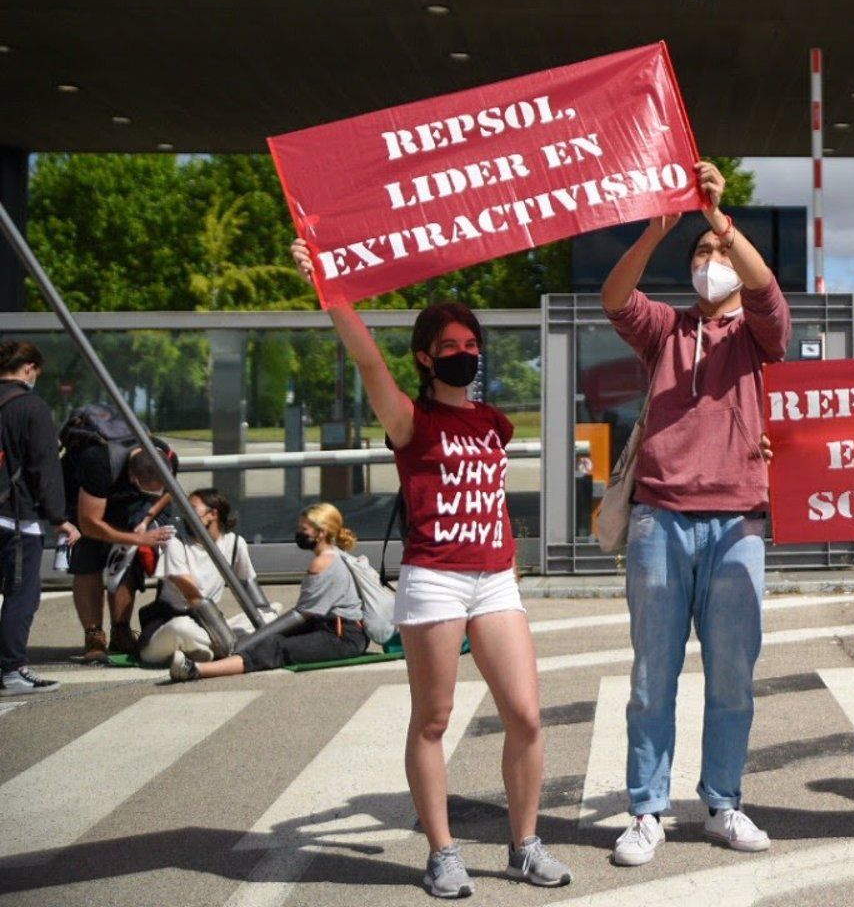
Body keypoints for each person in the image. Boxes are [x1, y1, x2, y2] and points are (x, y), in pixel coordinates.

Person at [286, 243, 572, 896]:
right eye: (449, 345)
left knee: (526, 715)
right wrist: (329, 287)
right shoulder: (411, 419)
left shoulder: (493, 422)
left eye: (471, 342)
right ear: (425, 357)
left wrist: (512, 559)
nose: (464, 352)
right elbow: (364, 357)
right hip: (435, 579)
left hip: (494, 578)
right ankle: (442, 852)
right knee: (434, 719)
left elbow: (491, 496)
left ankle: (525, 845)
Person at [601, 160, 790, 868]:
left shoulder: (758, 335)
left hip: (739, 523)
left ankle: (723, 802)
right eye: (702, 255)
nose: (711, 262)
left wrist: (719, 220)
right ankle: (647, 809)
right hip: (659, 520)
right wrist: (656, 232)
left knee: (733, 676)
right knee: (653, 676)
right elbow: (616, 296)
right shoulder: (665, 329)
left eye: (720, 255)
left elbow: (769, 292)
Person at [169, 503, 365, 682]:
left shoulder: (322, 562)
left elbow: (301, 614)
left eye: (303, 529)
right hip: (335, 628)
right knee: (270, 639)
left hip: (341, 638)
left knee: (274, 647)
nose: (298, 532)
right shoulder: (337, 555)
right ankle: (218, 662)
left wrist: (254, 639)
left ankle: (197, 670)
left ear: (321, 533)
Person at [63, 412, 177, 662]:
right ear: (133, 478)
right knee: (88, 559)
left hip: (134, 502)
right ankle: (94, 635)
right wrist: (138, 539)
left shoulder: (166, 457)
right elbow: (90, 524)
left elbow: (170, 492)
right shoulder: (99, 462)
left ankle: (121, 630)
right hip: (87, 499)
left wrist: (146, 520)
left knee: (129, 560)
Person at [0, 340, 79, 695]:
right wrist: (59, 517)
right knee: (22, 594)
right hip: (15, 518)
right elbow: (45, 468)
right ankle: (12, 670)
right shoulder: (32, 408)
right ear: (29, 367)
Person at [138, 488, 262, 665]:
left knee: (270, 614)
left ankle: (210, 648)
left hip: (208, 626)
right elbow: (193, 596)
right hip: (171, 624)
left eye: (192, 509)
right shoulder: (175, 542)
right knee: (182, 627)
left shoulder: (235, 543)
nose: (187, 515)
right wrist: (222, 634)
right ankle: (222, 647)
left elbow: (251, 587)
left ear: (213, 514)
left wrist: (265, 619)